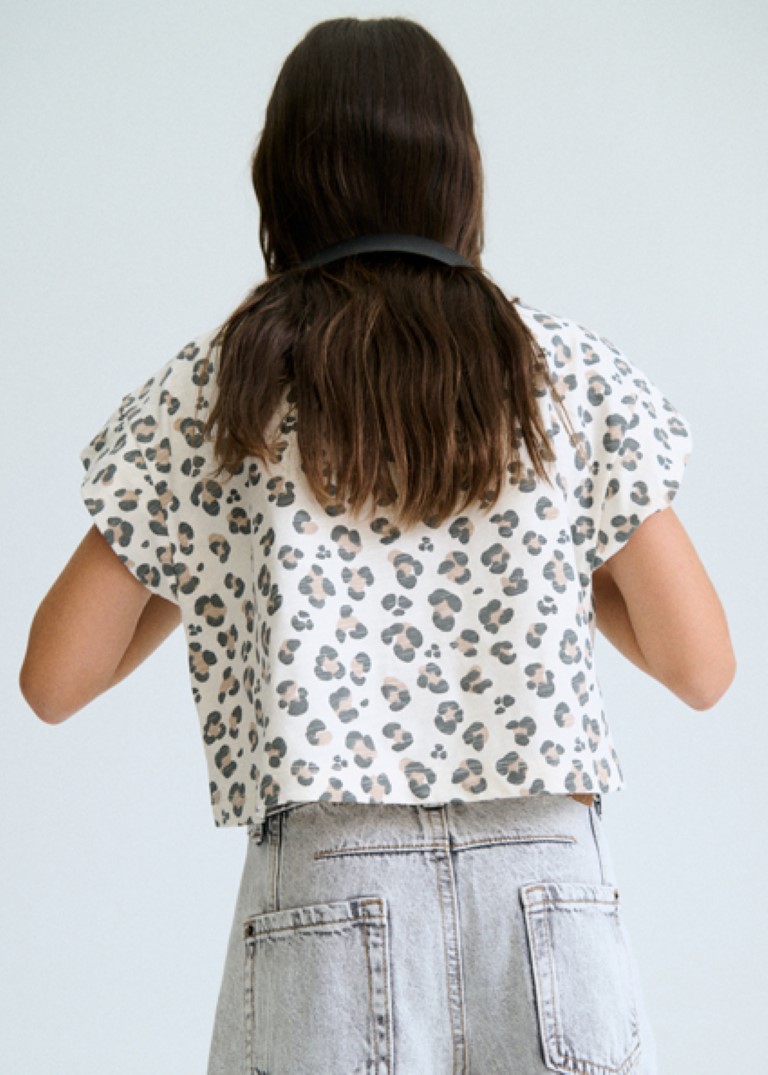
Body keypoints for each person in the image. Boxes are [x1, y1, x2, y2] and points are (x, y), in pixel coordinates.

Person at [19, 15, 735, 1075]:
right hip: (546, 883)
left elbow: (54, 678)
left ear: (280, 183)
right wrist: (548, 542)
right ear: (460, 173)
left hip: (327, 881)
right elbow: (701, 665)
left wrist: (224, 550)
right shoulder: (555, 371)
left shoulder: (227, 384)